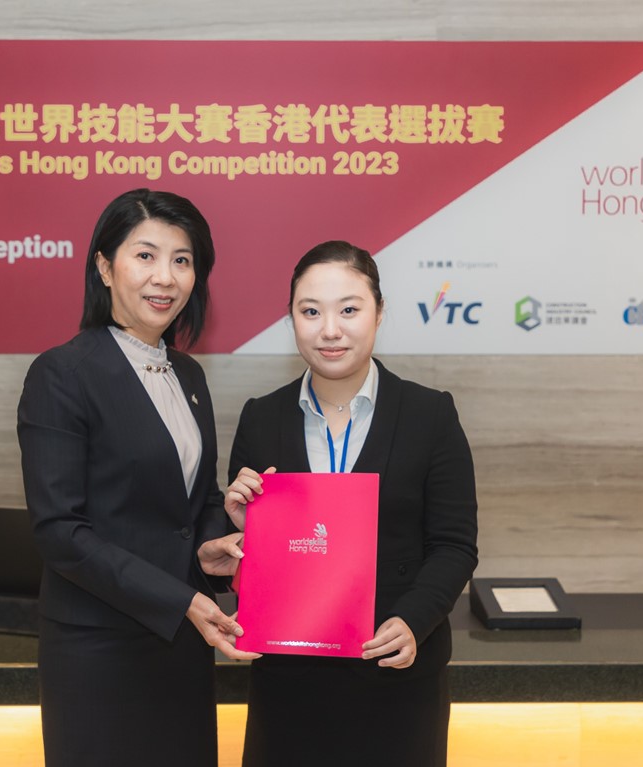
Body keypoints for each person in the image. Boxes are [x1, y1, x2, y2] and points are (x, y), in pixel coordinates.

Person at [17, 188, 257, 767]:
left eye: (182, 260)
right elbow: (60, 532)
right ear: (105, 267)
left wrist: (214, 543)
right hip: (98, 647)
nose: (165, 277)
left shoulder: (189, 375)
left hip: (183, 642)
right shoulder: (62, 374)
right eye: (145, 256)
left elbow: (193, 502)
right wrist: (181, 600)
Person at [226, 240, 478, 767]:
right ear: (291, 318)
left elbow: (454, 545)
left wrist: (413, 620)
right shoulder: (261, 418)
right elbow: (248, 568)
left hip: (395, 675)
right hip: (289, 685)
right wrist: (242, 531)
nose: (330, 330)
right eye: (310, 312)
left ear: (379, 312)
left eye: (348, 309)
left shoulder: (431, 415)